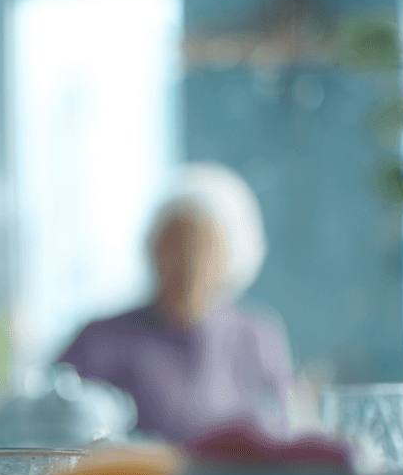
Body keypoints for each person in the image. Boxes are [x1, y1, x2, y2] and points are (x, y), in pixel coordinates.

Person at [57, 162, 294, 445]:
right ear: (153, 248)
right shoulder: (101, 339)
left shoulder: (259, 338)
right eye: (175, 243)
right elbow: (46, 429)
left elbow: (283, 435)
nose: (189, 263)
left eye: (205, 249)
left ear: (234, 257)